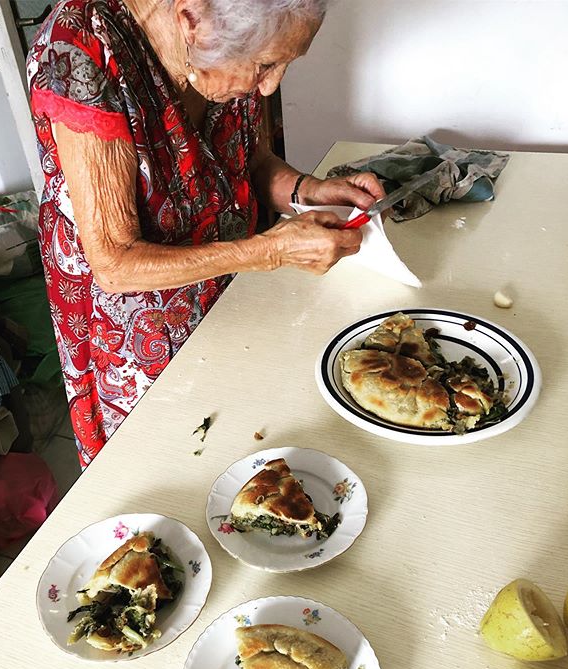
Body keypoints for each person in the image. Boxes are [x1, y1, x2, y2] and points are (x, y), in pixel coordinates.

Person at [27, 0, 385, 467]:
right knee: (170, 463)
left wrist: (311, 189)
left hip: (228, 286)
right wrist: (271, 251)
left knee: (244, 441)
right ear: (191, 20)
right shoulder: (81, 53)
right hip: (135, 316)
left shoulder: (227, 45)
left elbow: (247, 161)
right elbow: (114, 262)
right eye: (266, 64)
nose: (271, 84)